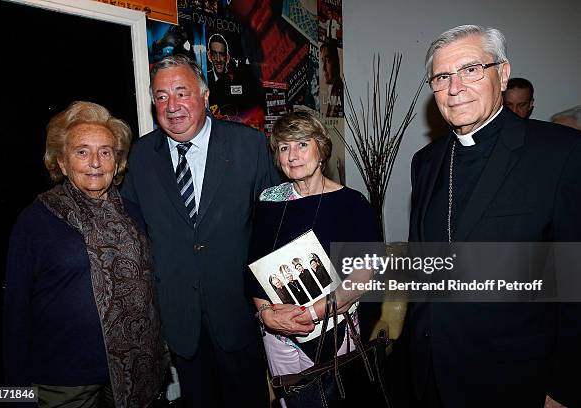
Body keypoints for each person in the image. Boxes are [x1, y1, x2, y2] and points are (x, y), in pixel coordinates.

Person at [408, 24, 581, 408]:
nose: (454, 88)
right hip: (432, 373)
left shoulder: (562, 153)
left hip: (517, 379)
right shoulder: (425, 162)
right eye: (441, 77)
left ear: (501, 74)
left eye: (470, 69)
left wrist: (564, 387)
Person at [121, 54, 279, 408]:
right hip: (179, 321)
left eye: (181, 92)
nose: (172, 106)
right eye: (161, 97)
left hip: (240, 314)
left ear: (205, 95)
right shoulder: (140, 158)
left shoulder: (249, 146)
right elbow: (132, 234)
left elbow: (275, 225)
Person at [3, 101, 168, 406]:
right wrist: (16, 390)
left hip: (137, 372)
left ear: (116, 163)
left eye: (105, 152)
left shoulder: (132, 213)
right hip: (64, 380)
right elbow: (16, 307)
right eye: (82, 151)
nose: (95, 162)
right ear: (62, 163)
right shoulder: (36, 219)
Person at [247, 111, 384, 407]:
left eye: (302, 145)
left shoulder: (351, 204)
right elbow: (254, 269)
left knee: (336, 399)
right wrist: (266, 314)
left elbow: (362, 276)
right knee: (292, 401)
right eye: (284, 147)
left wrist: (310, 314)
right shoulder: (268, 201)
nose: (292, 155)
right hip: (279, 333)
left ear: (320, 149)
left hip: (334, 327)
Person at [321, 40, 344, 117]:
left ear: (336, 62)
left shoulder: (338, 89)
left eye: (328, 60)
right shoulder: (333, 88)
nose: (323, 68)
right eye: (322, 61)